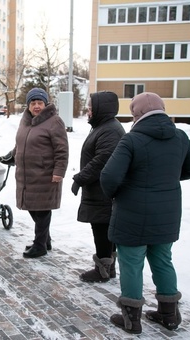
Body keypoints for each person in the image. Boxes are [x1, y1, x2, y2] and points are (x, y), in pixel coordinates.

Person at [100, 92, 190, 334]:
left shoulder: (132, 140)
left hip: (132, 213)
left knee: (132, 263)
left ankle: (131, 319)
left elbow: (109, 177)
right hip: (166, 213)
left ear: (136, 114)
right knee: (162, 260)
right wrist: (167, 178)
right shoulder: (179, 136)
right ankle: (169, 315)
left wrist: (116, 194)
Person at [0, 88, 69, 258]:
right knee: (33, 208)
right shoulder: (26, 121)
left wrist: (59, 171)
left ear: (45, 104)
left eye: (40, 103)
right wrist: (11, 156)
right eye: (33, 103)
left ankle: (40, 246)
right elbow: (21, 144)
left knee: (42, 210)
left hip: (45, 174)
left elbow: (62, 150)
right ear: (28, 105)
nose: (37, 106)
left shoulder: (54, 121)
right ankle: (45, 239)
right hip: (26, 174)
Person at [71, 91, 125, 283]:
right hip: (99, 189)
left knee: (102, 228)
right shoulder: (103, 127)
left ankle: (103, 270)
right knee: (102, 227)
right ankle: (107, 268)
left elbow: (101, 160)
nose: (88, 110)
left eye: (91, 107)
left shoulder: (110, 130)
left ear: (102, 108)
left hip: (103, 191)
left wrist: (80, 178)